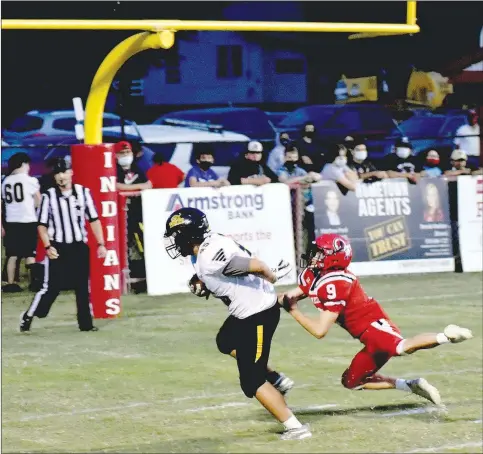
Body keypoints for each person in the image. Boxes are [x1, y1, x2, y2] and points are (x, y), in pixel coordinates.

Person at [163, 207, 311, 440]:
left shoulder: (210, 260)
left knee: (251, 381)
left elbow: (257, 266)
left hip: (257, 314)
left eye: (176, 235)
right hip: (248, 312)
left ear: (188, 235)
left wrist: (272, 277)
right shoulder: (208, 245)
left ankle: (295, 427)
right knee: (226, 340)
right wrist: (204, 282)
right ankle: (275, 379)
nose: (174, 241)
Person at [278, 233, 473, 406]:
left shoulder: (336, 282)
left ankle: (447, 336)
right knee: (352, 381)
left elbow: (319, 331)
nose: (314, 257)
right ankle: (410, 385)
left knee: (401, 348)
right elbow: (291, 295)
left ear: (333, 258)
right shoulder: (314, 275)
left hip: (374, 326)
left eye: (320, 253)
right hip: (365, 337)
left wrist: (294, 311)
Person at [19, 158, 107, 333]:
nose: (61, 177)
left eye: (64, 172)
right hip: (58, 247)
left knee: (82, 286)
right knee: (51, 288)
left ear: (71, 173)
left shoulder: (83, 193)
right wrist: (48, 246)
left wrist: (101, 244)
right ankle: (29, 315)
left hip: (79, 246)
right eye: (58, 173)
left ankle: (86, 324)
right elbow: (42, 225)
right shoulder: (48, 196)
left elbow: (94, 219)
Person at [1, 152, 41, 293]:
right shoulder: (30, 180)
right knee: (30, 253)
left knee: (12, 254)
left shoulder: (6, 182)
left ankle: (10, 283)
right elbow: (38, 200)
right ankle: (34, 282)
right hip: (27, 220)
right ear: (24, 164)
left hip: (11, 221)